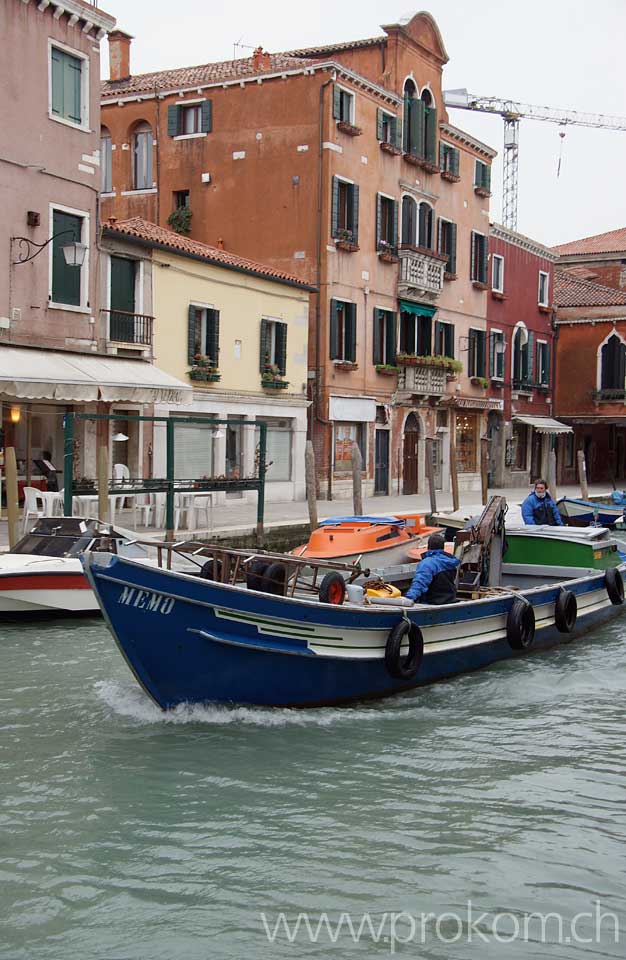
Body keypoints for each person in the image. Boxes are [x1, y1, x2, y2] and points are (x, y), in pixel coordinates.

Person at [405, 532, 460, 604]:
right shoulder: (450, 561)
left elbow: (420, 583)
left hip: (432, 603)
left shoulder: (427, 564)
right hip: (449, 600)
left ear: (428, 547)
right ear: (443, 547)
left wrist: (408, 598)